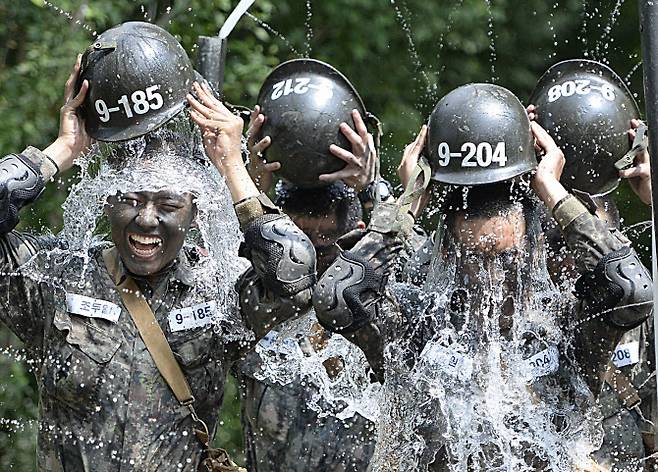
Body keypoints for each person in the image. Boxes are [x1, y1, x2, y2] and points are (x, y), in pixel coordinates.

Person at [0, 54, 316, 472]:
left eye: (168, 204)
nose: (147, 219)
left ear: (194, 212)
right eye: (130, 200)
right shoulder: (59, 278)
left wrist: (232, 168)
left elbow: (295, 280)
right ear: (108, 201)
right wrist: (64, 149)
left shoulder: (219, 292)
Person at [313, 83, 652, 471]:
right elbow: (338, 298)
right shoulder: (419, 332)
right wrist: (406, 203)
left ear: (534, 249)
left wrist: (552, 192)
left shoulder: (565, 327)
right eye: (477, 259)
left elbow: (630, 290)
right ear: (447, 253)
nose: (494, 277)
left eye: (506, 258)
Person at [234, 69, 398, 470]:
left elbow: (409, 257)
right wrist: (248, 184)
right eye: (294, 244)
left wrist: (373, 188)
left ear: (357, 237)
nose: (307, 262)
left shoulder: (379, 303)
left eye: (323, 247)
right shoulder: (255, 300)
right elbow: (222, 245)